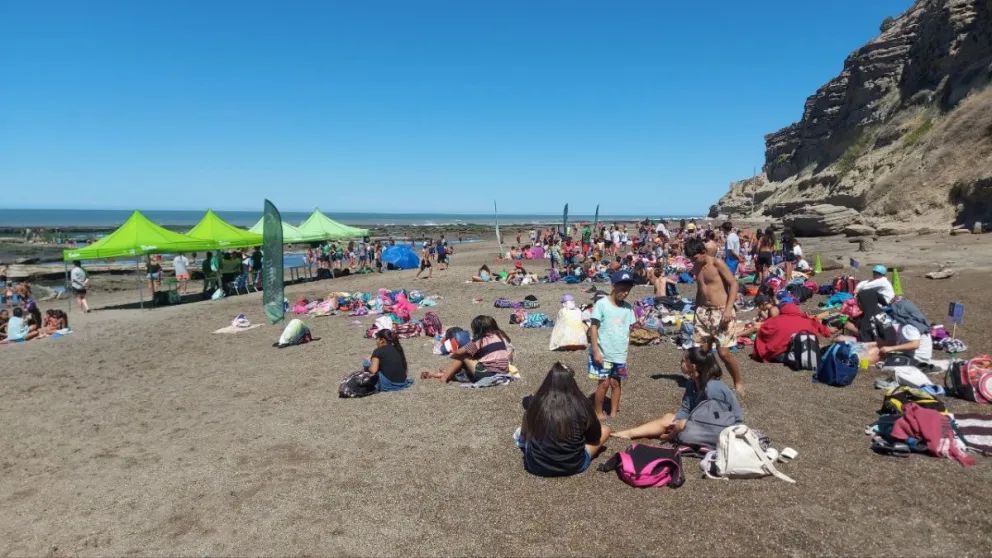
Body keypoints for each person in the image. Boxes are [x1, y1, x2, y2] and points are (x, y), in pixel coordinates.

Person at [612, 347, 742, 440]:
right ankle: (630, 433)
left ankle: (633, 434)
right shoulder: (692, 383)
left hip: (725, 428)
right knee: (670, 417)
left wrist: (684, 424)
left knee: (676, 425)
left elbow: (716, 418)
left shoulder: (713, 387)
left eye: (683, 361)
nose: (679, 363)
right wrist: (679, 420)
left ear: (693, 366)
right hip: (703, 421)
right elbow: (686, 408)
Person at [514, 363, 610, 477]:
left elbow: (525, 428)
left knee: (527, 422)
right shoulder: (582, 404)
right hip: (574, 465)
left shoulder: (537, 402)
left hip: (535, 465)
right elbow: (594, 437)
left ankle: (528, 443)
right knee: (606, 429)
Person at [687, 238, 744, 394]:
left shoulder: (717, 263)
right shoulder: (696, 267)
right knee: (702, 352)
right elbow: (700, 290)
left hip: (721, 310)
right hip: (703, 312)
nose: (693, 261)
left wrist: (728, 309)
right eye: (690, 258)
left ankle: (738, 381)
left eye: (695, 257)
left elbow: (733, 284)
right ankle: (705, 383)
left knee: (724, 353)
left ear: (703, 252)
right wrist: (696, 311)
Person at [589, 270, 636, 419]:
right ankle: (598, 411)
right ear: (614, 286)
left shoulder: (628, 308)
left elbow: (628, 330)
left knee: (616, 383)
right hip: (603, 352)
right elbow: (594, 327)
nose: (625, 293)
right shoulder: (601, 304)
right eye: (622, 289)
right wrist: (595, 350)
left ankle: (614, 412)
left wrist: (627, 352)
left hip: (619, 353)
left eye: (628, 290)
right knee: (603, 384)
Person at [422, 315, 513, 382]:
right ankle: (440, 374)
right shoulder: (500, 336)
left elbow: (457, 353)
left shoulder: (480, 340)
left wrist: (455, 356)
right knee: (468, 363)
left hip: (489, 374)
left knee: (463, 356)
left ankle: (444, 377)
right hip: (503, 371)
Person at [748, 302, 835, 362]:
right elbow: (826, 333)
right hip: (804, 350)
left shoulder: (776, 321)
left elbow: (763, 330)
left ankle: (791, 356)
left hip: (778, 353)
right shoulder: (808, 320)